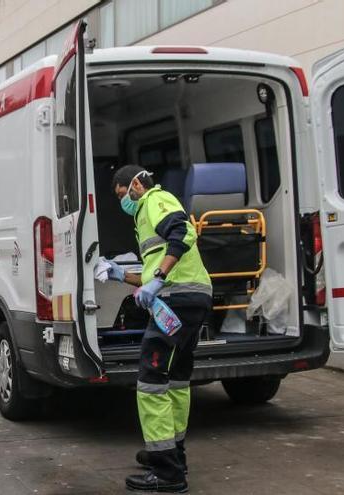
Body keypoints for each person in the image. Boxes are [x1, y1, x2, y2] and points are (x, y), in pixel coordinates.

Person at [106, 164, 212, 493]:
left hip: (175, 298)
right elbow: (154, 269)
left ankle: (167, 474)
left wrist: (160, 280)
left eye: (123, 194)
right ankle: (172, 455)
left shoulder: (156, 199)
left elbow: (182, 233)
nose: (124, 202)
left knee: (151, 381)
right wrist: (120, 275)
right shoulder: (144, 217)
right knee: (177, 380)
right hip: (187, 298)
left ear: (136, 184)